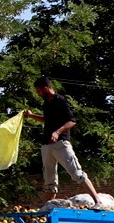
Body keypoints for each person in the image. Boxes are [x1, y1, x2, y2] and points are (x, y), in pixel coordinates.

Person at [24, 76, 102, 205]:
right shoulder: (46, 103)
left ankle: (98, 202)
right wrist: (32, 116)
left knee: (77, 173)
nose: (38, 94)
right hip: (47, 145)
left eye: (39, 91)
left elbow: (72, 121)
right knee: (49, 181)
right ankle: (47, 210)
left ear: (45, 88)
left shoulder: (60, 101)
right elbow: (47, 119)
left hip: (61, 143)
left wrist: (57, 132)